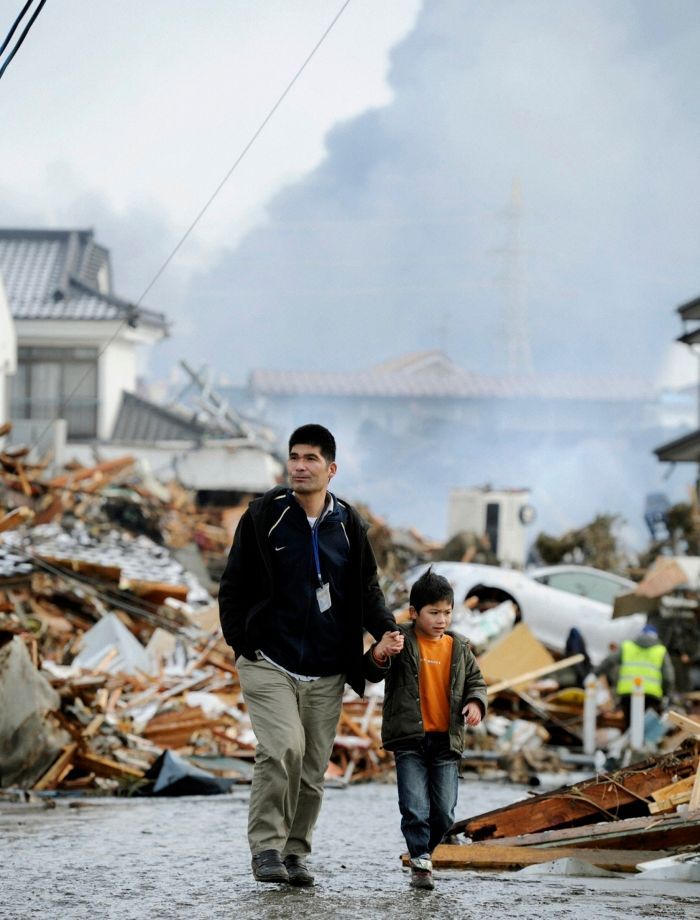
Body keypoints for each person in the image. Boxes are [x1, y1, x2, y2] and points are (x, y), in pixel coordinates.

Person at [218, 423, 403, 886]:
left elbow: (366, 589)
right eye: (294, 457)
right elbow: (233, 586)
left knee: (313, 767)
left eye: (311, 459)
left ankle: (295, 852)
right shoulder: (264, 515)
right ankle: (265, 848)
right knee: (283, 748)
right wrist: (243, 642)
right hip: (269, 660)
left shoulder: (349, 525)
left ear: (331, 469)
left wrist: (384, 631)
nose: (299, 466)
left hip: (326, 666)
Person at [366, 567, 487, 890]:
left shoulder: (459, 647)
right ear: (414, 612)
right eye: (434, 612)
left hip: (446, 742)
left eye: (447, 612)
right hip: (410, 740)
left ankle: (423, 851)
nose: (441, 620)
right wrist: (380, 652)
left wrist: (475, 703)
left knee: (445, 814)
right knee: (414, 807)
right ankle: (420, 861)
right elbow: (373, 669)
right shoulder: (399, 640)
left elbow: (476, 681)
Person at [597, 624, 675, 728]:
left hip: (628, 693)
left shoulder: (627, 646)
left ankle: (629, 743)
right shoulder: (660, 650)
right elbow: (668, 677)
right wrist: (667, 694)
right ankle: (641, 743)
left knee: (630, 725)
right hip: (652, 695)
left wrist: (594, 674)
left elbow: (609, 661)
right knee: (646, 727)